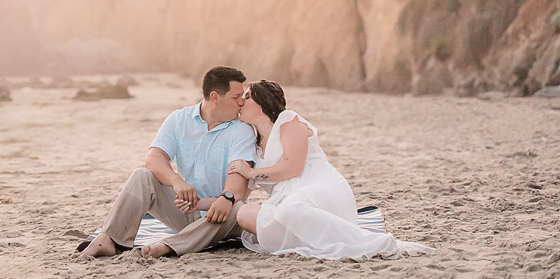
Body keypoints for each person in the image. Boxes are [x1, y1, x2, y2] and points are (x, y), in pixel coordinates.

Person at [226, 80, 435, 260]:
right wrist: (202, 204)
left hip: (320, 188)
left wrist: (251, 173)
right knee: (245, 214)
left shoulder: (288, 121)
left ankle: (364, 242)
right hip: (282, 202)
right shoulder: (252, 147)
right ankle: (308, 241)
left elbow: (294, 167)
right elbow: (238, 195)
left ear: (262, 103)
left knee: (293, 209)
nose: (242, 102)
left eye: (248, 97)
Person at [78, 66, 258, 258]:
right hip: (186, 211)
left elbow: (236, 187)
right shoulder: (179, 119)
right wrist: (177, 182)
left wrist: (226, 199)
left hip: (222, 217)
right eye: (235, 97)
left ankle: (167, 246)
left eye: (242, 97)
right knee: (142, 176)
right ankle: (109, 239)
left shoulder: (242, 130)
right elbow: (154, 159)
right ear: (215, 97)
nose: (241, 103)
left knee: (237, 207)